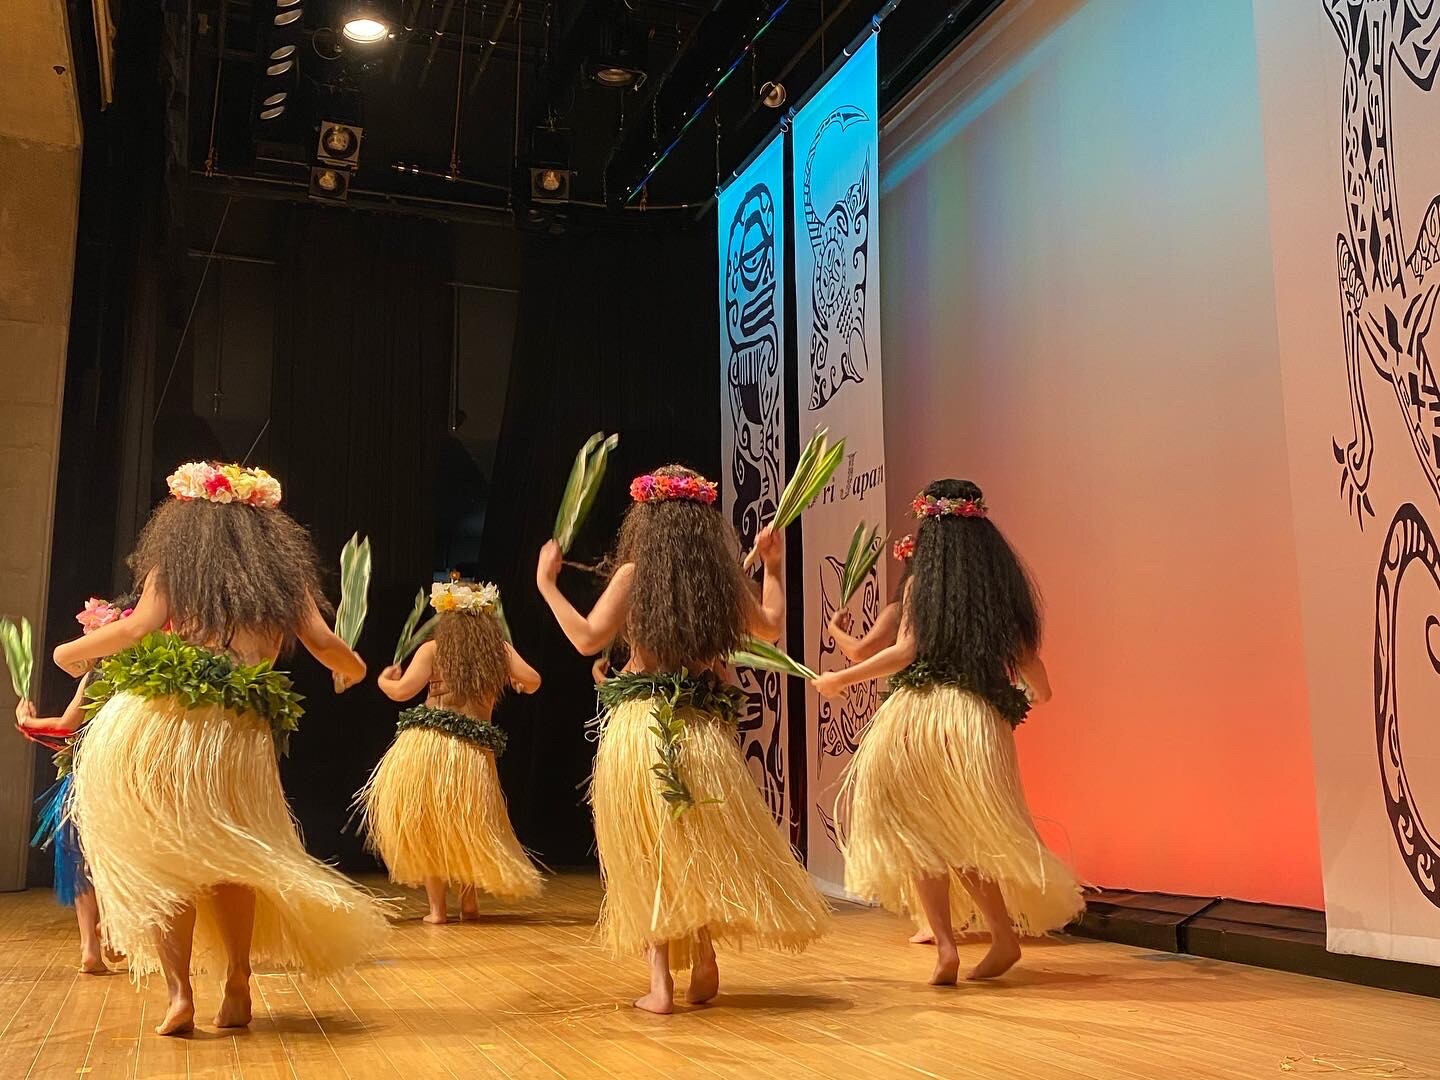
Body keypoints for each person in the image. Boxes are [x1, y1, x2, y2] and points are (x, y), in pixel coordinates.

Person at [54, 461, 390, 1036]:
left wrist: (68, 653)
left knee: (169, 861)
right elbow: (325, 644)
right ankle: (237, 982)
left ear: (183, 525)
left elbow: (137, 630)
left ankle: (180, 994)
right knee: (236, 860)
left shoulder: (175, 566)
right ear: (270, 532)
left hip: (163, 724)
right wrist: (354, 670)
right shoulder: (284, 581)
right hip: (237, 734)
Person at [536, 465, 830, 1014]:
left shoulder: (633, 576)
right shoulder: (719, 582)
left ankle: (660, 985)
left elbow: (584, 638)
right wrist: (774, 566)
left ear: (644, 522)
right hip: (702, 732)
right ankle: (704, 953)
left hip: (642, 731)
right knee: (697, 843)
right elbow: (769, 627)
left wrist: (547, 585)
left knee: (646, 850)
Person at [813, 480, 1083, 986]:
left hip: (918, 718)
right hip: (975, 721)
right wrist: (1021, 701)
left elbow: (904, 653)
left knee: (918, 834)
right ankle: (1000, 936)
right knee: (960, 833)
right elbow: (1036, 678)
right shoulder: (1004, 593)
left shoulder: (921, 586)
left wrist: (839, 679)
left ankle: (946, 947)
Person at [361, 579, 544, 924]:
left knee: (429, 826)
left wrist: (384, 680)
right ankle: (469, 904)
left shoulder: (433, 649)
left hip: (427, 747)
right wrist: (509, 677)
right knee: (467, 825)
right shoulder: (499, 652)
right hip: (472, 754)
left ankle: (437, 911)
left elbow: (401, 692)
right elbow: (533, 681)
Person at [16, 597, 134, 975]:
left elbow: (68, 727)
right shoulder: (144, 676)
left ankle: (90, 948)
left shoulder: (100, 675)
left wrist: (28, 723)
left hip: (89, 775)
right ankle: (114, 929)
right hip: (127, 774)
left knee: (80, 855)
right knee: (119, 853)